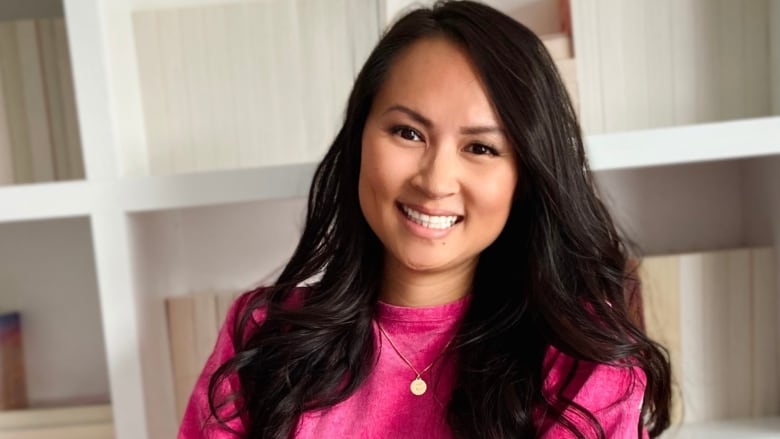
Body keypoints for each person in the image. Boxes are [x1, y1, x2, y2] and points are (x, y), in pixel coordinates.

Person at [179, 1, 672, 438]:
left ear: (525, 177)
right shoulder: (264, 336)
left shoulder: (578, 362)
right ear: (359, 140)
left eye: (481, 147)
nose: (436, 181)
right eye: (408, 133)